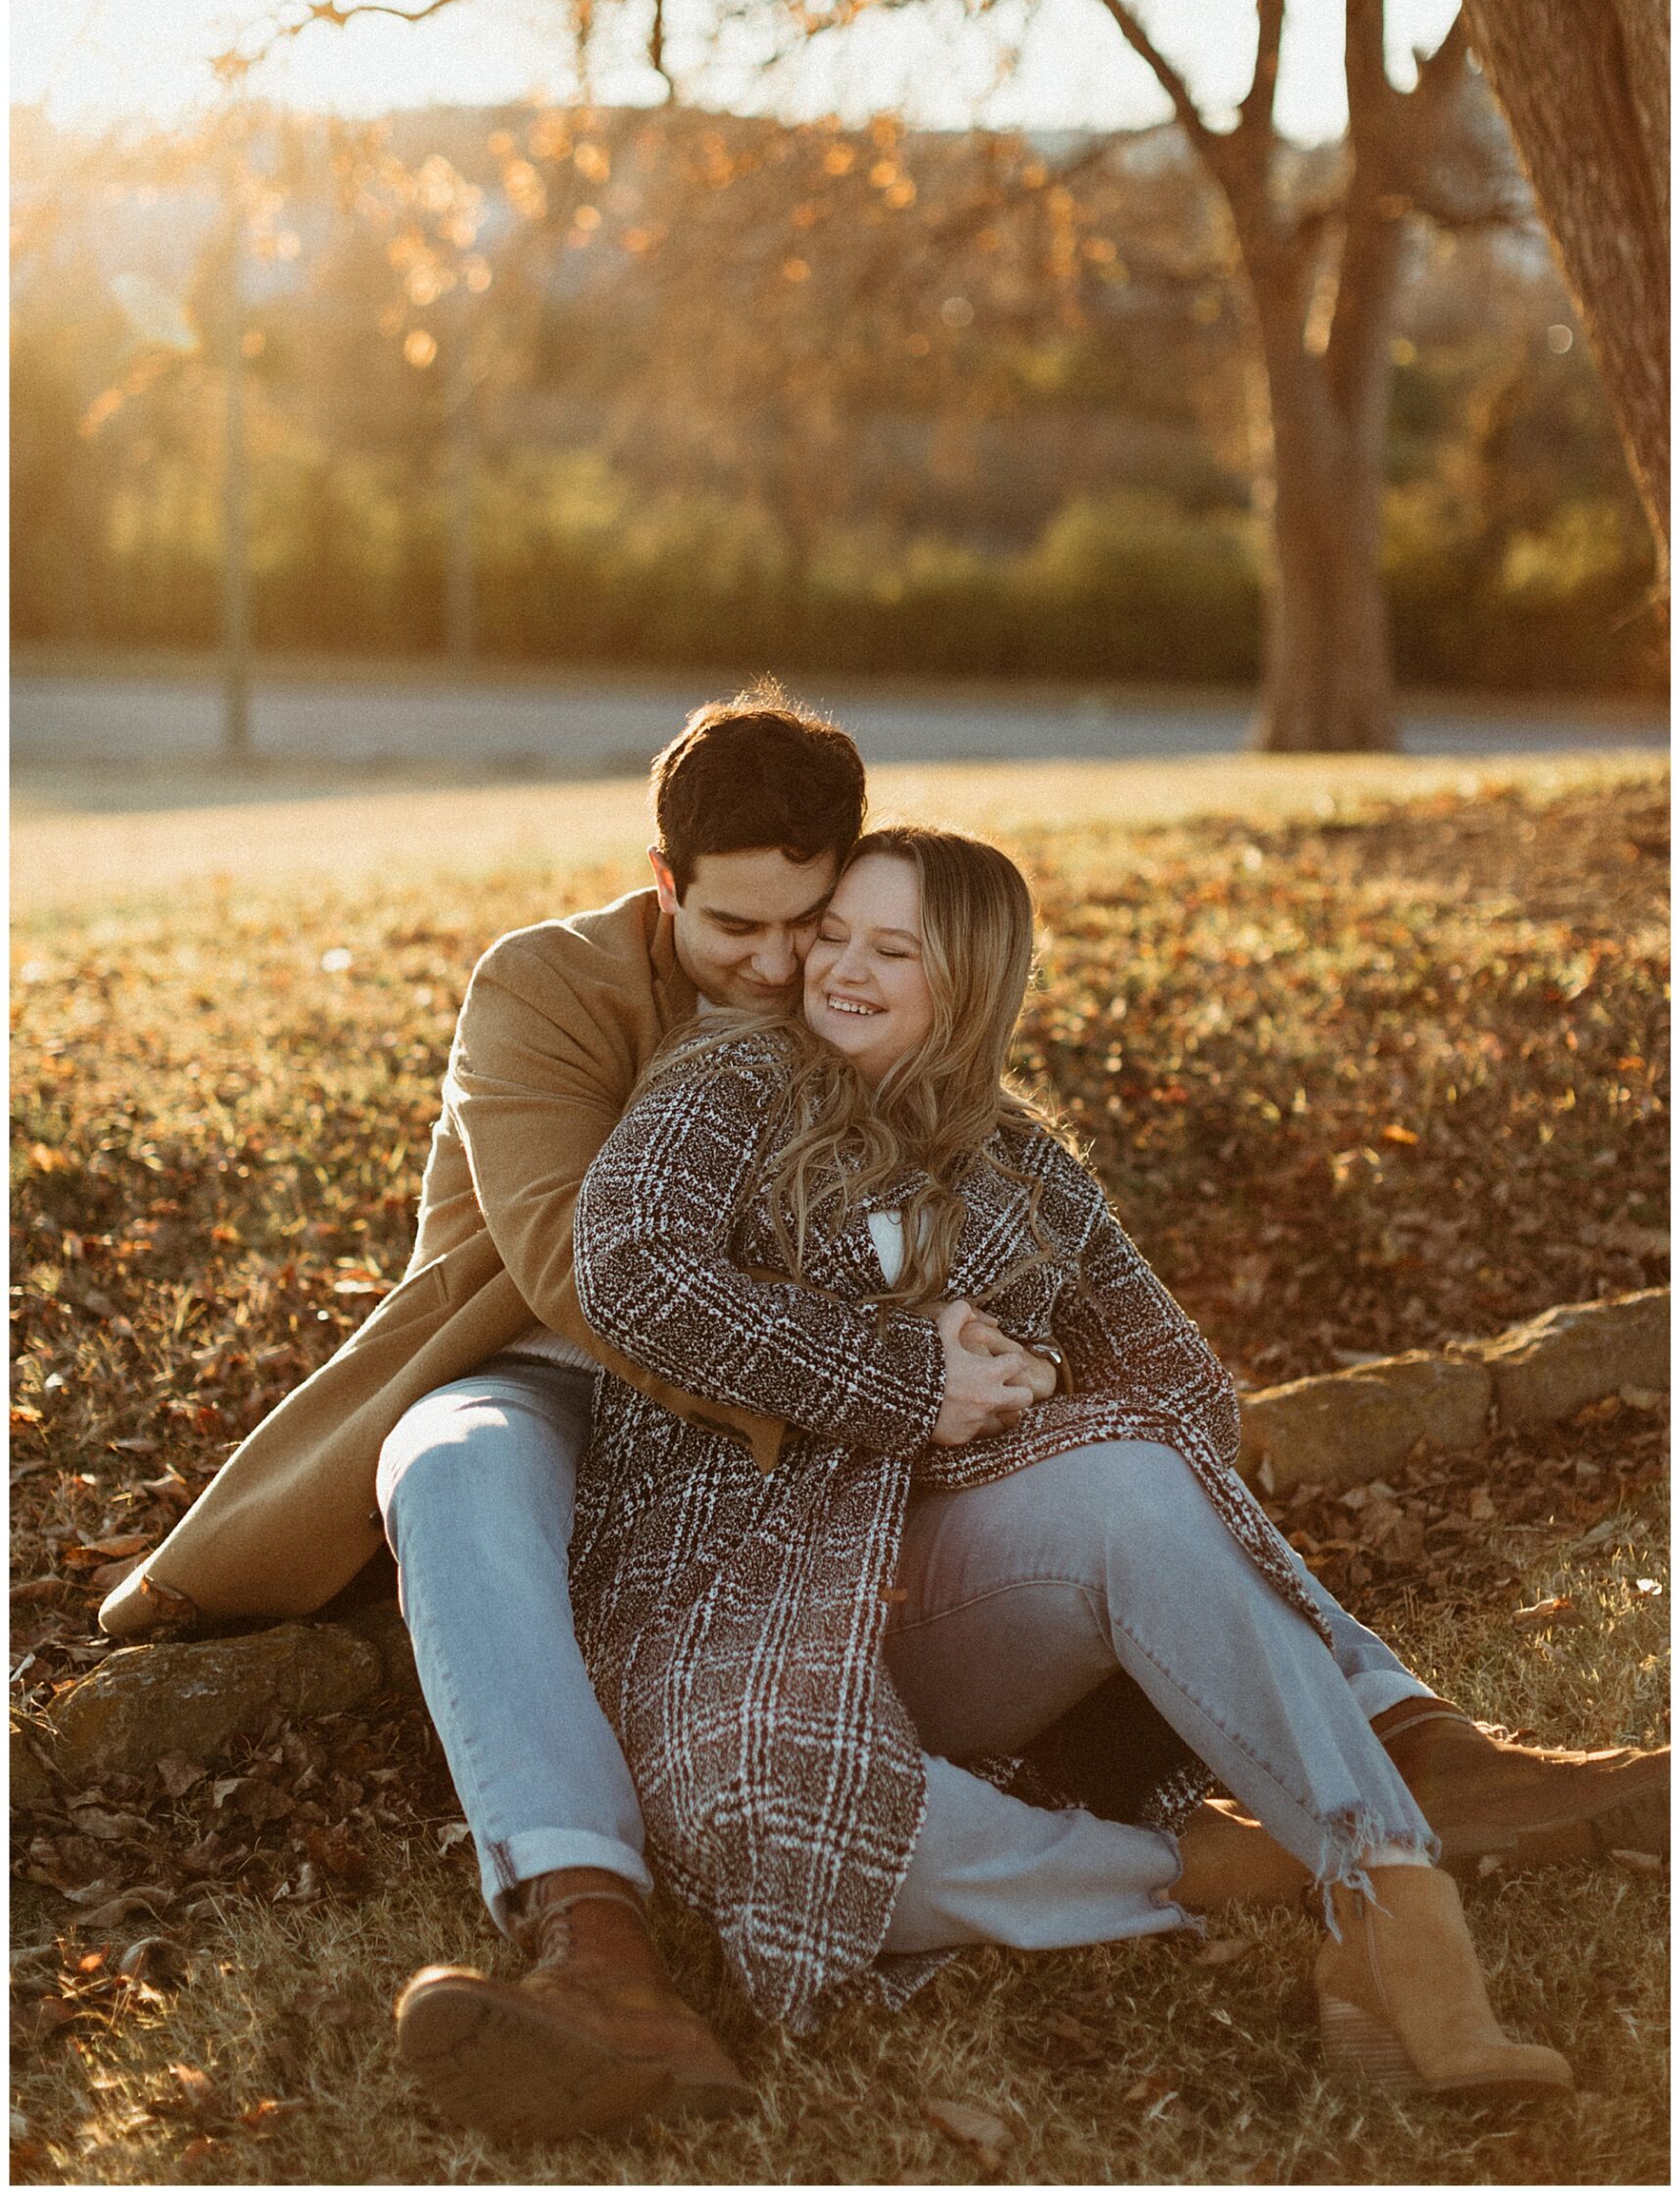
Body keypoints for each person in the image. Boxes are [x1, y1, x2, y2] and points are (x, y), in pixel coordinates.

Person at [94, 699, 1663, 2143]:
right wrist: (910, 1372)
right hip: (553, 1370)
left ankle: (1408, 1781)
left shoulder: (966, 1120)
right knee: (449, 1463)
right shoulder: (556, 992)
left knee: (1131, 1471)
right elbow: (595, 1276)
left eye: (827, 925)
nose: (788, 969)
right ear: (662, 881)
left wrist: (1008, 1389)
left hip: (835, 1483)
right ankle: (592, 1931)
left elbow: (1154, 1363)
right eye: (745, 930)